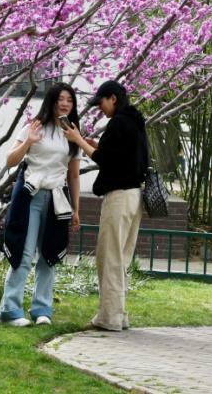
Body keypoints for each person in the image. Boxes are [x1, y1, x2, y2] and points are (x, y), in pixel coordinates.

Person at [0, 82, 82, 327]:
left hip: (56, 199)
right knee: (24, 252)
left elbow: (74, 175)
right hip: (30, 197)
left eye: (69, 100)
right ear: (52, 101)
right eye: (60, 99)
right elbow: (10, 161)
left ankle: (42, 309)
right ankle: (9, 311)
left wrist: (76, 209)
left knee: (49, 254)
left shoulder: (73, 133)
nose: (65, 103)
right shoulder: (34, 127)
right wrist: (28, 142)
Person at [66, 80, 148, 332]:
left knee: (108, 257)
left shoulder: (119, 122)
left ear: (112, 98)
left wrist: (79, 140)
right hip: (136, 195)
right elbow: (120, 155)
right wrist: (95, 143)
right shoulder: (135, 120)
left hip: (119, 196)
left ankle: (108, 317)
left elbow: (105, 160)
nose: (100, 108)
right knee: (121, 258)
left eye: (101, 102)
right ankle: (119, 315)